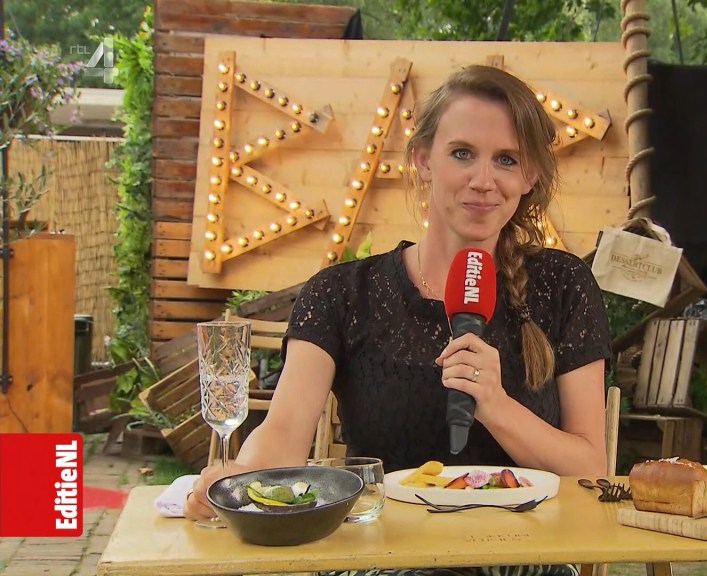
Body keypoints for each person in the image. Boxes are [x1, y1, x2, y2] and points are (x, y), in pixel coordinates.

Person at [185, 65, 612, 573]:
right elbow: (283, 434)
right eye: (462, 153)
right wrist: (240, 478)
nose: (483, 180)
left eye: (506, 159)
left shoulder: (562, 285)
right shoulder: (343, 294)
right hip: (384, 561)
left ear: (529, 175)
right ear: (423, 160)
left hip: (525, 561)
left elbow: (590, 469)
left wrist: (496, 405)